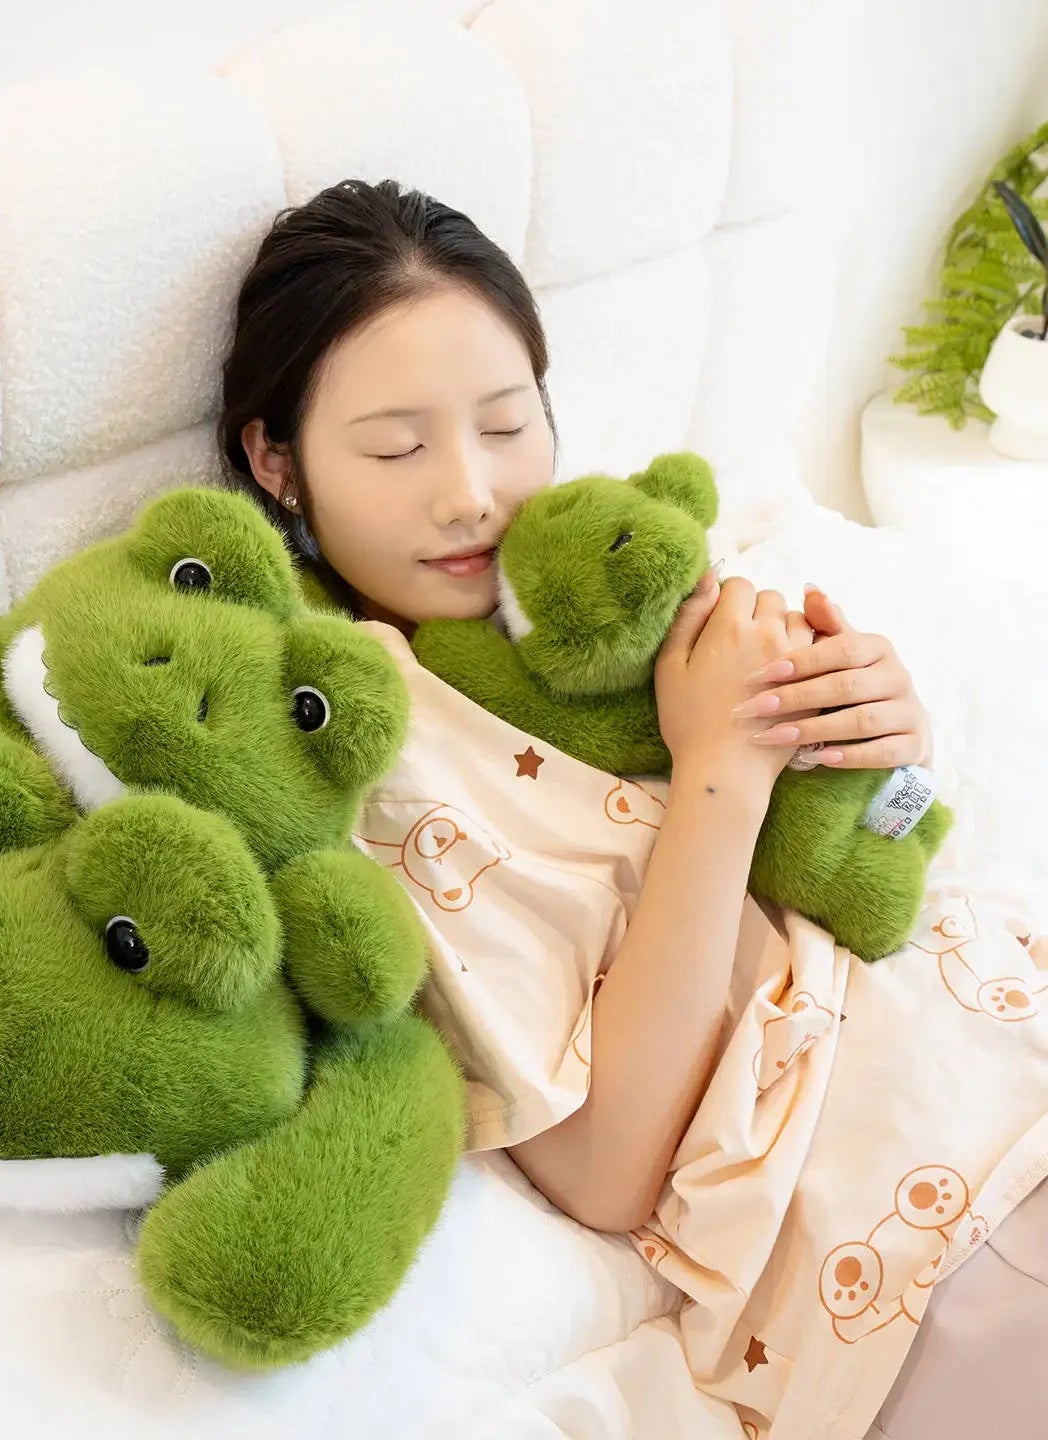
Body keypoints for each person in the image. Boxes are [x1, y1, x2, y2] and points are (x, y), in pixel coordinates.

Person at [217, 178, 1048, 1440]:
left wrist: (890, 755)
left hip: (994, 1031)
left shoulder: (615, 580)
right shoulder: (356, 755)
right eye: (396, 448)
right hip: (925, 1217)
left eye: (509, 425)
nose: (471, 493)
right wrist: (720, 772)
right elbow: (607, 1169)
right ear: (273, 459)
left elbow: (882, 860)